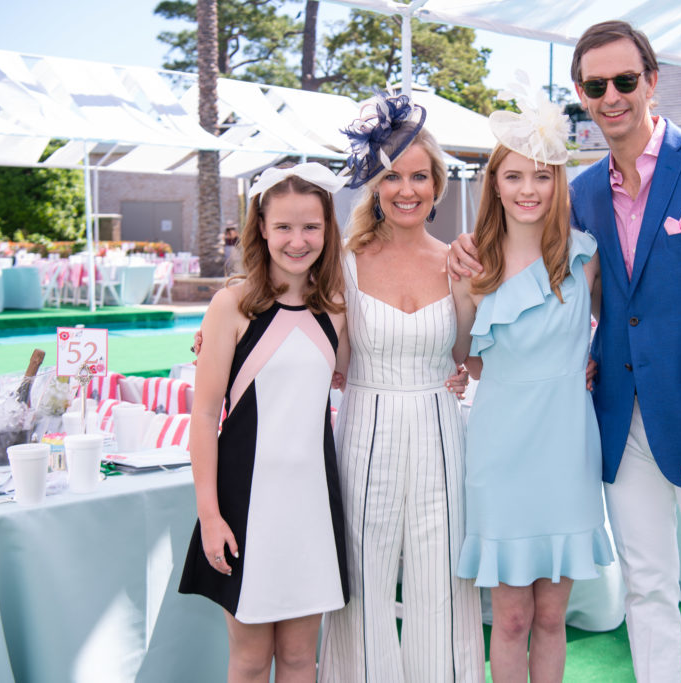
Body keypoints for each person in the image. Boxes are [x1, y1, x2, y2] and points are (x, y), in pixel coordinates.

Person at [451, 20, 681, 682]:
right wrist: (459, 253)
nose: (612, 95)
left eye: (625, 80)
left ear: (651, 81)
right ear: (581, 93)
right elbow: (553, 284)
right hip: (617, 425)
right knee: (646, 592)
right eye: (596, 85)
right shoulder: (585, 195)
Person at [318, 93, 485, 683]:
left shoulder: (460, 262)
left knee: (442, 582)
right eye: (393, 176)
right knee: (360, 585)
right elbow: (317, 345)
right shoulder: (343, 261)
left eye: (419, 176)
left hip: (441, 428)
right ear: (375, 185)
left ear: (437, 187)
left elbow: (471, 357)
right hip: (363, 426)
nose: (407, 189)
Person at [451, 88, 613, 683]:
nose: (527, 189)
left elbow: (624, 331)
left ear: (558, 185)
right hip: (500, 450)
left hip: (567, 448)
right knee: (512, 620)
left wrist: (590, 359)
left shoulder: (585, 256)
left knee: (552, 618)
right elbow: (464, 359)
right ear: (495, 183)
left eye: (541, 177)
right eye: (514, 176)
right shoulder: (470, 266)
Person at [178, 162, 350, 682]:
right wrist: (209, 515)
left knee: (301, 659)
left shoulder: (337, 307)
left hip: (313, 507)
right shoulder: (231, 305)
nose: (298, 240)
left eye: (311, 226)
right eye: (284, 227)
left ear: (328, 230)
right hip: (245, 507)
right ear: (260, 228)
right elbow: (204, 417)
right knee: (251, 661)